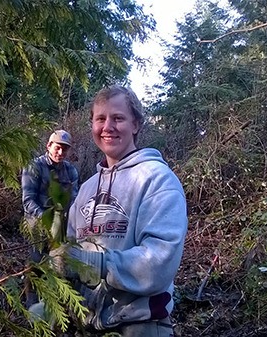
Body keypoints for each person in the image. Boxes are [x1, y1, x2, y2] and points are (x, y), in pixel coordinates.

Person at [59, 85, 188, 337]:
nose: (108, 127)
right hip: (86, 327)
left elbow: (158, 263)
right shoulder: (86, 189)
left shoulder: (158, 180)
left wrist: (92, 264)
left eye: (118, 118)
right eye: (100, 119)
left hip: (140, 327)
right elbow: (71, 251)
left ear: (136, 125)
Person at [21, 129, 79, 307]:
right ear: (48, 146)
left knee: (61, 265)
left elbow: (75, 200)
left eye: (65, 149)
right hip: (36, 221)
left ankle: (56, 306)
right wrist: (45, 220)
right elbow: (28, 201)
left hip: (60, 222)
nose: (61, 152)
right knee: (36, 265)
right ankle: (31, 305)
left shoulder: (70, 171)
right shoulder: (34, 167)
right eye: (57, 148)